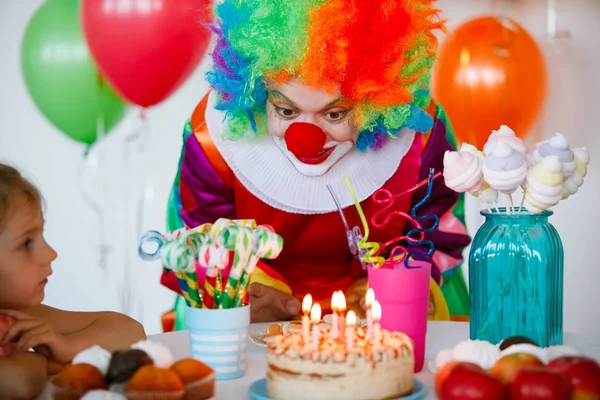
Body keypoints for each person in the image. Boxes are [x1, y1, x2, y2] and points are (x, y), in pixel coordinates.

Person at [161, 0, 471, 328]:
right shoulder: (214, 139)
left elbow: (436, 231)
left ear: (375, 102)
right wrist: (242, 292)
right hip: (256, 325)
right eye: (285, 110)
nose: (306, 138)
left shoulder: (422, 134)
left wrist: (399, 285)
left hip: (378, 323)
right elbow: (196, 240)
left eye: (334, 113)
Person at [0, 163, 146, 399]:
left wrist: (68, 347)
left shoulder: (15, 316)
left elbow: (130, 330)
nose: (51, 254)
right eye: (26, 243)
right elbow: (17, 383)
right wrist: (44, 361)